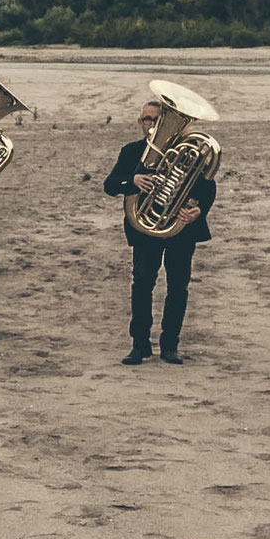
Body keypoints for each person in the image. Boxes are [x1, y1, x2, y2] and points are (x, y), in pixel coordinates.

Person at [103, 98, 216, 365]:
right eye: (146, 119)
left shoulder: (191, 153)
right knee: (142, 284)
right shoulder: (131, 152)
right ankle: (139, 345)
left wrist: (199, 211)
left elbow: (209, 188)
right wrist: (132, 180)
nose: (150, 125)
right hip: (145, 229)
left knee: (178, 287)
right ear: (139, 122)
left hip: (181, 229)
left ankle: (170, 346)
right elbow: (109, 185)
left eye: (156, 119)